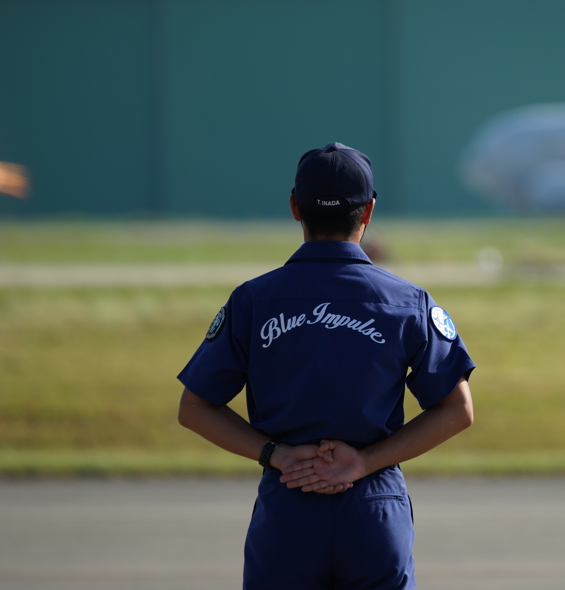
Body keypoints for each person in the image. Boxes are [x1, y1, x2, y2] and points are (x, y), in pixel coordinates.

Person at [176, 142, 475, 590]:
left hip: (289, 500)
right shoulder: (408, 302)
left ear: (295, 207)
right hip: (372, 506)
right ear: (369, 212)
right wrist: (363, 462)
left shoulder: (253, 300)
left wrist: (274, 455)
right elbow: (458, 410)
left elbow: (193, 408)